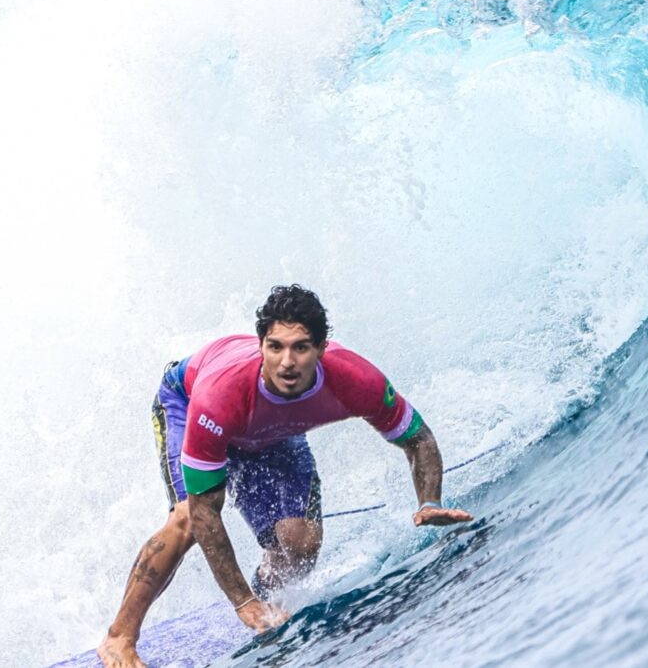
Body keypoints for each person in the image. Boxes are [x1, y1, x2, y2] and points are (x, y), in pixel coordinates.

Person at [98, 284, 473, 668]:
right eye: (275, 346)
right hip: (187, 404)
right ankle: (120, 637)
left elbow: (418, 438)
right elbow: (205, 513)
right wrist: (241, 602)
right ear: (261, 345)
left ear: (322, 349)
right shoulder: (219, 395)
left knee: (301, 542)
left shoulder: (355, 380)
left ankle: (268, 596)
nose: (287, 362)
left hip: (272, 433)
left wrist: (429, 502)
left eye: (301, 347)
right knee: (185, 519)